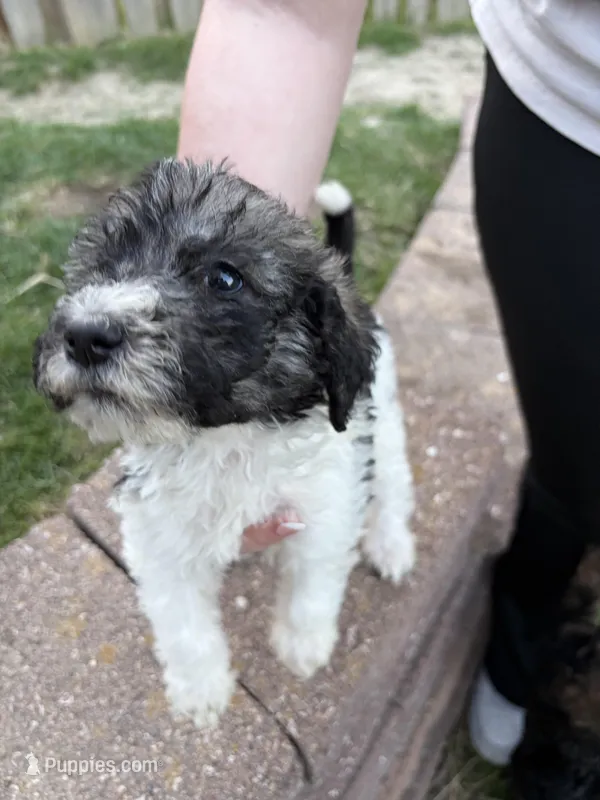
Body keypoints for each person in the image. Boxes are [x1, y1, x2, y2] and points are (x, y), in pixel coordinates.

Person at [177, 0, 600, 772]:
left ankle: (401, 515)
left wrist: (381, 522)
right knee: (575, 454)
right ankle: (525, 628)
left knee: (380, 455)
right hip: (574, 120)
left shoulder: (354, 365)